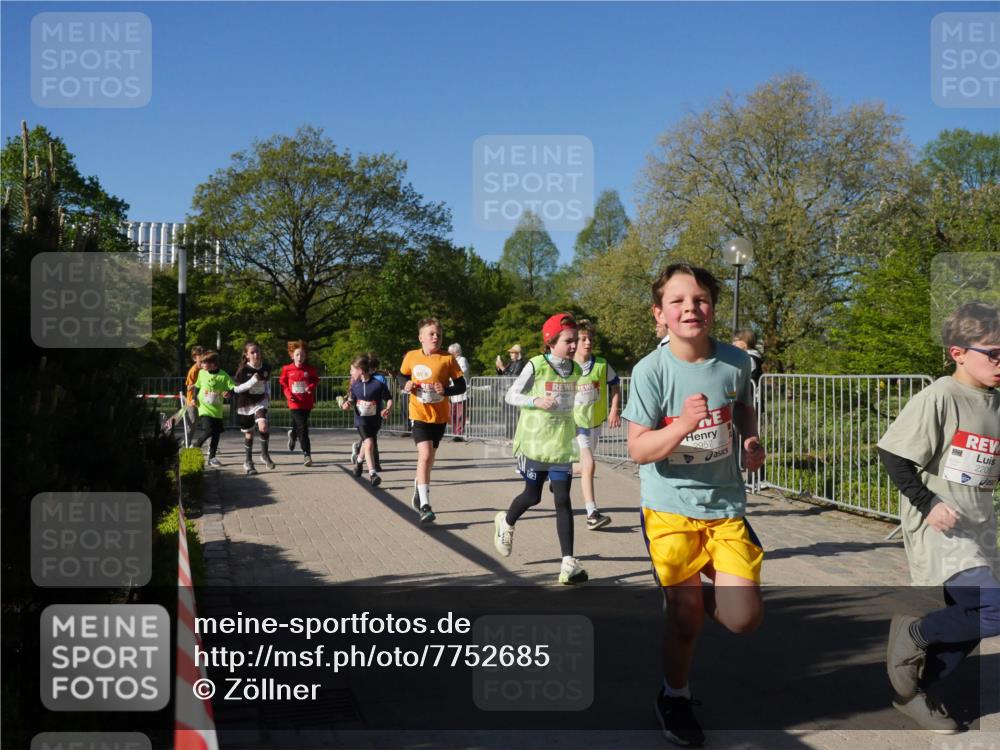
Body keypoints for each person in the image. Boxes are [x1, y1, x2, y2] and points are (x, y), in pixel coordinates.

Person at [623, 263, 765, 747]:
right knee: (684, 620)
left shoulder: (735, 362)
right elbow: (639, 449)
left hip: (725, 506)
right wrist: (682, 425)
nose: (691, 308)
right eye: (678, 301)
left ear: (713, 308)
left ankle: (689, 600)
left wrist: (751, 439)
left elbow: (743, 404)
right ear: (659, 313)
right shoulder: (650, 371)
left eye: (700, 299)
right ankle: (674, 695)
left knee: (743, 618)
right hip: (668, 507)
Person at [878, 301, 1000, 734]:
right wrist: (928, 504)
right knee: (991, 608)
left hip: (980, 529)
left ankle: (916, 692)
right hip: (941, 529)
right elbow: (892, 453)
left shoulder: (995, 403)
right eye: (993, 352)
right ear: (958, 352)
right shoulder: (939, 395)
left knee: (971, 625)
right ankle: (915, 635)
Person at [493, 313, 592, 585]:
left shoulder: (575, 370)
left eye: (576, 341)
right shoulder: (536, 365)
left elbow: (575, 403)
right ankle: (506, 521)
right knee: (533, 496)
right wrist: (535, 400)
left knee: (563, 498)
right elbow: (510, 395)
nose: (574, 346)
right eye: (568, 341)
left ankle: (568, 563)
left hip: (561, 444)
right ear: (551, 341)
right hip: (535, 443)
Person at [398, 318, 467, 523]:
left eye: (438, 334)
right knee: (425, 455)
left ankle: (419, 487)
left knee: (429, 459)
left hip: (439, 416)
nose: (436, 337)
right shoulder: (411, 356)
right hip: (418, 413)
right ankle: (425, 506)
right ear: (421, 338)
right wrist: (407, 384)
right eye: (431, 334)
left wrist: (445, 390)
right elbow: (401, 377)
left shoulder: (447, 359)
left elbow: (461, 386)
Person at [573, 319, 621, 530]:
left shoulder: (601, 364)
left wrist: (613, 410)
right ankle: (592, 513)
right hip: (576, 423)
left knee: (584, 467)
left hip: (595, 422)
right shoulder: (567, 366)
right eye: (583, 339)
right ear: (574, 341)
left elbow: (615, 386)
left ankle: (556, 471)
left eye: (590, 339)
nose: (587, 342)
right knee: (590, 464)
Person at [341, 354, 393, 486]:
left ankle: (358, 462)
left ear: (361, 370)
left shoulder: (378, 384)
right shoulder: (355, 385)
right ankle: (373, 474)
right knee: (369, 443)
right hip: (361, 421)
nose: (350, 372)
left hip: (375, 421)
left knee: (366, 444)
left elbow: (389, 398)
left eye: (352, 369)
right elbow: (351, 400)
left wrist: (387, 409)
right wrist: (346, 404)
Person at [233, 341, 274, 476]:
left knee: (263, 426)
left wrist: (268, 392)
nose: (256, 354)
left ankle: (265, 454)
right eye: (252, 352)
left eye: (258, 351)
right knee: (249, 433)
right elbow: (237, 389)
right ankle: (248, 461)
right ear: (247, 355)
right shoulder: (243, 370)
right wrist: (252, 381)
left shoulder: (266, 367)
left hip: (260, 402)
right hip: (245, 404)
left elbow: (267, 382)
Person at [191, 351, 236, 468]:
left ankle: (212, 458)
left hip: (217, 410)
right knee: (209, 430)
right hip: (204, 408)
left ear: (213, 364)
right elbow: (197, 386)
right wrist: (194, 398)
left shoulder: (223, 375)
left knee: (216, 433)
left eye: (205, 362)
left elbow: (233, 388)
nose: (201, 364)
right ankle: (196, 445)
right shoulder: (202, 373)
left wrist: (229, 393)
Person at [279, 340, 319, 467]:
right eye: (297, 355)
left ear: (305, 356)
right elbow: (283, 383)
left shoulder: (310, 369)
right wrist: (289, 395)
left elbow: (315, 380)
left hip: (306, 402)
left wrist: (310, 387)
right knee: (303, 427)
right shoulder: (287, 369)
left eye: (302, 355)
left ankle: (293, 434)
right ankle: (307, 454)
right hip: (294, 402)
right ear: (292, 355)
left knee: (300, 425)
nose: (300, 357)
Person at [448, 343, 471, 441]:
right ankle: (455, 433)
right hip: (453, 391)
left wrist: (450, 373)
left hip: (462, 391)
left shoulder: (462, 360)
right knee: (453, 413)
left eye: (451, 353)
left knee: (460, 414)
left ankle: (459, 433)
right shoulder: (451, 361)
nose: (449, 354)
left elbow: (463, 371)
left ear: (456, 352)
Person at [184, 345, 205, 442]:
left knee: (207, 422)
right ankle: (186, 443)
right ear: (194, 359)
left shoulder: (205, 369)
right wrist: (198, 383)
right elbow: (188, 387)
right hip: (192, 401)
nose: (202, 364)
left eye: (203, 361)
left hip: (203, 399)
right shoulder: (193, 371)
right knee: (192, 424)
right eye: (200, 361)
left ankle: (210, 446)